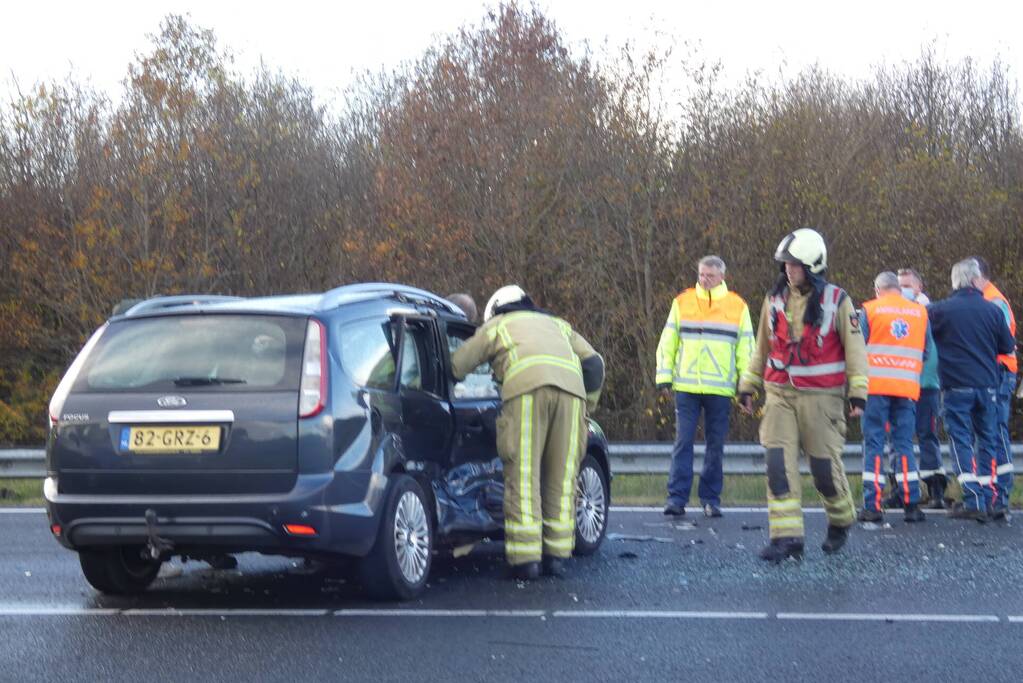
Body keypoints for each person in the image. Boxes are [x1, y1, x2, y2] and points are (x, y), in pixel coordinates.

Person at [450, 285, 605, 580]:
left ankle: (526, 562)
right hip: (572, 399)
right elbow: (595, 364)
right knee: (561, 478)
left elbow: (458, 364)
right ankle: (555, 558)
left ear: (496, 309)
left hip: (526, 394)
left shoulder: (498, 325)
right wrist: (589, 405)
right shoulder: (558, 325)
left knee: (523, 476)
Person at [738, 228, 868, 562]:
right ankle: (787, 539)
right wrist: (748, 385)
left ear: (813, 266)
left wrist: (858, 393)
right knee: (778, 465)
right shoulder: (774, 298)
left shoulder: (837, 300)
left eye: (794, 265)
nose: (788, 271)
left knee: (825, 472)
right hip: (779, 393)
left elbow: (855, 350)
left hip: (822, 398)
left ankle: (841, 519)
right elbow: (762, 347)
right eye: (785, 265)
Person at [655, 255, 754, 518]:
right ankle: (676, 499)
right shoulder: (682, 302)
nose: (704, 279)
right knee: (683, 442)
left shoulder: (737, 306)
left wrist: (746, 389)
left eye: (709, 275)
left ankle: (711, 499)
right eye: (701, 274)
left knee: (715, 446)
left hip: (720, 389)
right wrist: (664, 377)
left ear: (722, 276)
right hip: (686, 386)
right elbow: (668, 342)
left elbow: (747, 351)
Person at [928, 258, 1016, 522]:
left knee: (961, 441)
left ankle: (973, 498)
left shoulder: (940, 311)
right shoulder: (992, 310)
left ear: (955, 282)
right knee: (988, 440)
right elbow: (1006, 346)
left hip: (956, 387)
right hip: (987, 385)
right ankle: (990, 499)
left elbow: (923, 338)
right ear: (976, 280)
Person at [856, 272, 929, 523]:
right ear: (898, 288)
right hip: (907, 388)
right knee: (904, 445)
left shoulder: (870, 310)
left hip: (875, 388)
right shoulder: (919, 312)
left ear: (878, 290)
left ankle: (872, 506)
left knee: (874, 444)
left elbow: (856, 350)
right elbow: (926, 351)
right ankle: (911, 504)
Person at [972, 256, 1017, 497]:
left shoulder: (994, 301)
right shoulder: (988, 299)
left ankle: (1001, 490)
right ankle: (994, 489)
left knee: (996, 429)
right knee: (991, 429)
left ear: (978, 277)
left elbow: (1002, 343)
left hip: (999, 370)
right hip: (995, 370)